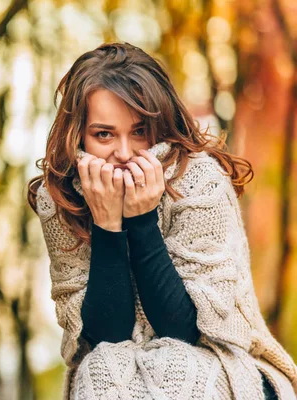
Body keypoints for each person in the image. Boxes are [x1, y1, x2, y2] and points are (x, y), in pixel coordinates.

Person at [27, 42, 297, 400]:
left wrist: (140, 219)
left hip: (222, 362)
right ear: (78, 136)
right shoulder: (61, 198)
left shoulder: (200, 182)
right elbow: (105, 336)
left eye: (139, 132)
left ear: (159, 127)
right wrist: (107, 224)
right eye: (104, 134)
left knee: (175, 369)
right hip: (123, 367)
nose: (124, 154)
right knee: (101, 369)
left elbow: (186, 330)